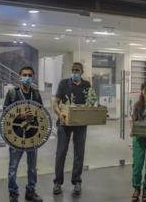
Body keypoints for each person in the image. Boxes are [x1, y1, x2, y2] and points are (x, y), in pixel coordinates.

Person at [3, 66, 43, 202]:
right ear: (19, 77)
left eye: (30, 75)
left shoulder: (36, 94)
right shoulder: (12, 93)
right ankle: (13, 193)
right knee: (13, 168)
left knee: (32, 167)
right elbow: (5, 114)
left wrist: (33, 117)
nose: (27, 77)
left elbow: (42, 114)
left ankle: (30, 191)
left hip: (33, 136)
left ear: (33, 77)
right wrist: (19, 116)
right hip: (16, 136)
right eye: (24, 75)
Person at [52, 62, 91, 195]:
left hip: (80, 124)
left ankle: (77, 181)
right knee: (61, 152)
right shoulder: (63, 83)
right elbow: (56, 103)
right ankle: (57, 181)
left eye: (76, 70)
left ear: (82, 72)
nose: (74, 72)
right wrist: (59, 114)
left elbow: (90, 103)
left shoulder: (87, 85)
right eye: (72, 70)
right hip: (64, 123)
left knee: (79, 153)